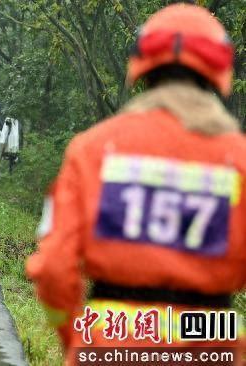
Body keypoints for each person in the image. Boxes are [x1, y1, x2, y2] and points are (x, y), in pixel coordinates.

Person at [26, 4, 243, 365]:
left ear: (141, 67)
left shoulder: (91, 150)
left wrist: (78, 342)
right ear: (220, 69)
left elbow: (52, 268)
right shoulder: (238, 160)